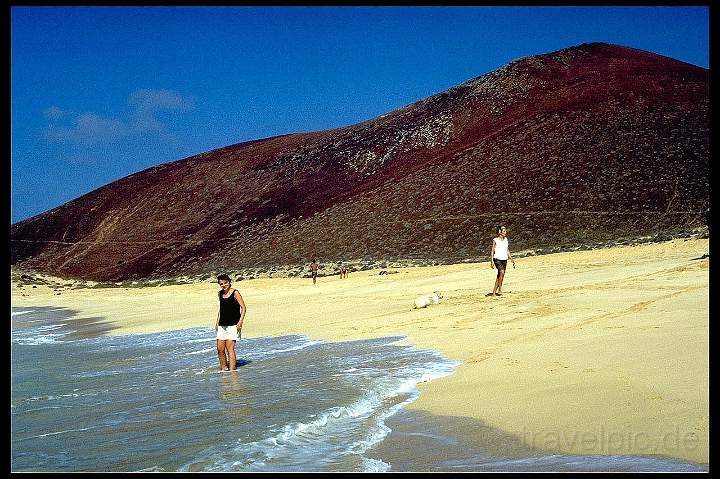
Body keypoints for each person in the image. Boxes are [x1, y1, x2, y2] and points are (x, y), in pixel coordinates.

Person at [214, 274, 247, 371]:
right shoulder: (220, 294)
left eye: (225, 283)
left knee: (229, 348)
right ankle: (224, 370)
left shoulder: (235, 293)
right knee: (220, 349)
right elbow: (221, 309)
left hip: (233, 325)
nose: (223, 285)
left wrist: (240, 322)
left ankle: (233, 371)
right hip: (222, 324)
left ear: (229, 282)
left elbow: (244, 308)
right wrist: (217, 322)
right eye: (221, 284)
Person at [490, 225, 515, 296]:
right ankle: (499, 289)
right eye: (504, 231)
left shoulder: (506, 239)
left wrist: (511, 259)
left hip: (504, 259)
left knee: (500, 275)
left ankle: (494, 292)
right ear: (499, 232)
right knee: (502, 272)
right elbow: (492, 251)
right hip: (497, 259)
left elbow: (507, 250)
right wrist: (492, 262)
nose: (505, 232)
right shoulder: (495, 240)